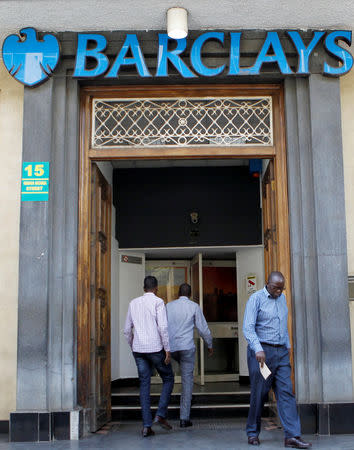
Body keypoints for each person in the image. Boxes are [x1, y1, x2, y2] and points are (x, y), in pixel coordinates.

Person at [243, 272, 311, 449]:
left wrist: (287, 346)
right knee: (260, 393)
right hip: (262, 354)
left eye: (282, 288)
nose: (279, 292)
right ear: (268, 284)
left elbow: (283, 325)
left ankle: (292, 436)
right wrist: (258, 348)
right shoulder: (256, 299)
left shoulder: (282, 298)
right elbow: (248, 328)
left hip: (280, 353)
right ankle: (252, 432)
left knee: (286, 393)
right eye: (276, 288)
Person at [124, 275, 174, 437]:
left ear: (143, 288)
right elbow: (163, 328)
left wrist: (133, 345)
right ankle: (160, 414)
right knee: (168, 378)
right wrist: (167, 349)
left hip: (139, 350)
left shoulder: (133, 303)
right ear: (156, 288)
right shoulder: (158, 302)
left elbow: (126, 330)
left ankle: (146, 426)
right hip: (155, 349)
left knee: (144, 385)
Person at [166, 283, 213, 428]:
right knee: (187, 382)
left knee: (168, 380)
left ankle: (162, 413)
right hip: (186, 348)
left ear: (178, 293)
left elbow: (161, 326)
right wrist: (209, 345)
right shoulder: (194, 307)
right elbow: (203, 329)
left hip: (171, 349)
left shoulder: (168, 306)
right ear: (190, 294)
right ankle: (184, 418)